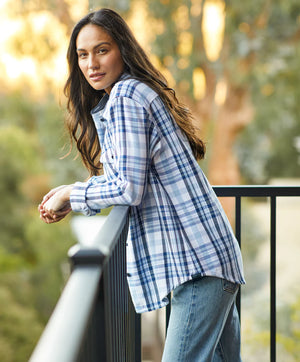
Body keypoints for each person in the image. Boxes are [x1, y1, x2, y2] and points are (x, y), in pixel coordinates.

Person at [39, 8, 245, 361]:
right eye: (83, 55)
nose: (92, 64)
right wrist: (74, 195)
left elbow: (127, 188)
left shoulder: (125, 99)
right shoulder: (133, 93)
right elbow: (130, 176)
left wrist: (73, 193)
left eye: (102, 50)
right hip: (210, 260)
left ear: (123, 49)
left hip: (198, 267)